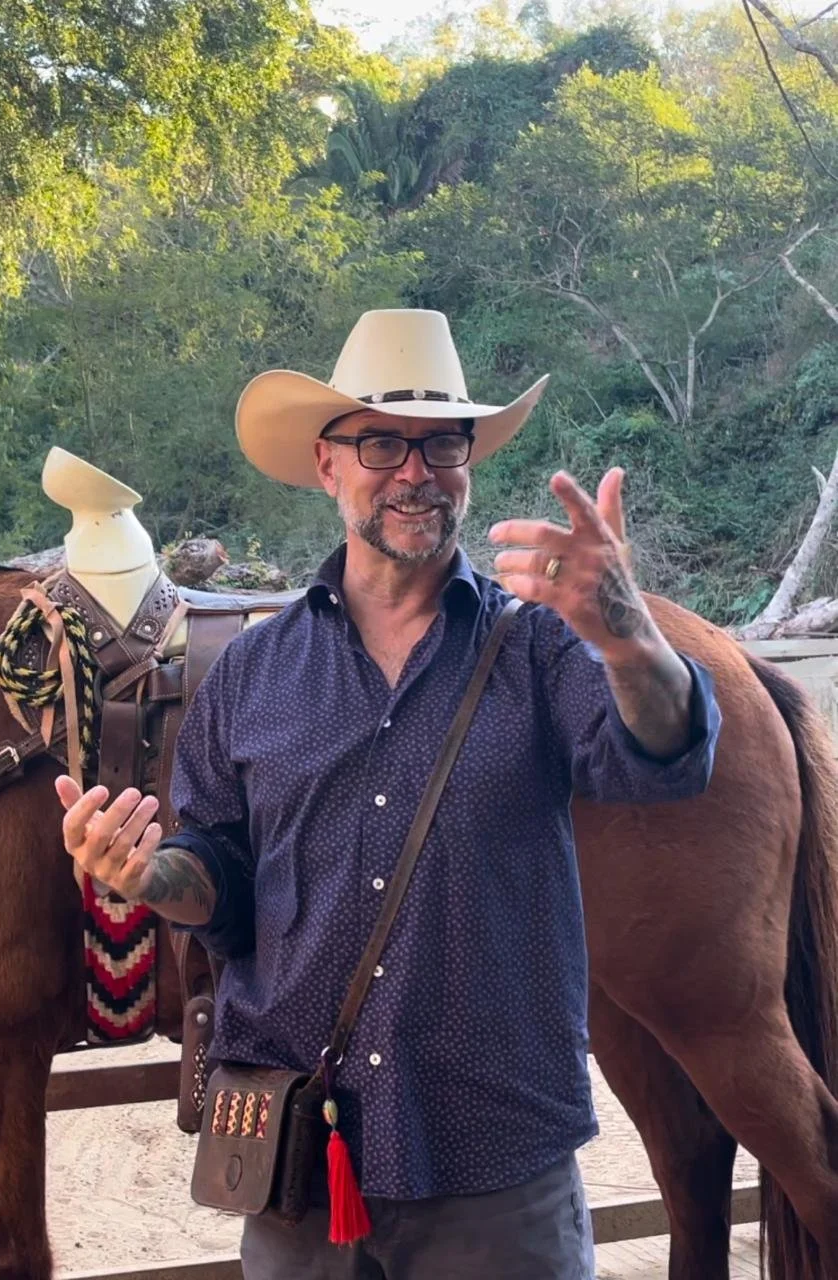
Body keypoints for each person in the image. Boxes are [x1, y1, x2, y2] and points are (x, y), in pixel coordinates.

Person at [56, 308, 722, 1280]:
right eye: (382, 442)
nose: (415, 469)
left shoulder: (541, 650)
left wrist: (629, 637)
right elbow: (221, 879)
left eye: (442, 443)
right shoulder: (249, 673)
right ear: (328, 464)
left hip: (498, 1170)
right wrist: (150, 871)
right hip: (296, 1165)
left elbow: (668, 756)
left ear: (467, 461)